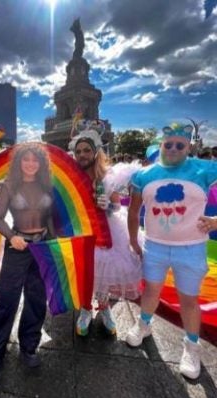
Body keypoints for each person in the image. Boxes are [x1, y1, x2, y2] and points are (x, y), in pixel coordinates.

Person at [126, 124, 217, 379]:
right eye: (169, 144)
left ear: (189, 146)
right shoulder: (144, 175)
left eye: (180, 145)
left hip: (191, 248)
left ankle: (191, 346)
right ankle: (144, 325)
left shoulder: (205, 168)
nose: (174, 149)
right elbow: (133, 212)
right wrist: (133, 240)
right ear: (161, 145)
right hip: (154, 245)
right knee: (151, 290)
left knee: (188, 299)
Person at [0, 142, 56, 387]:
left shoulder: (47, 185)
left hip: (42, 248)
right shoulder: (8, 186)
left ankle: (29, 346)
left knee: (36, 299)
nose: (31, 164)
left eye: (35, 160)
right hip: (17, 247)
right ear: (19, 162)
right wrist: (12, 237)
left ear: (41, 163)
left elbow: (50, 217)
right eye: (26, 159)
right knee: (6, 302)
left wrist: (53, 243)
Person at [71, 130, 142, 336]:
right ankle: (85, 309)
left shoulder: (106, 177)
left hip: (106, 231)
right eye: (78, 151)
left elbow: (118, 206)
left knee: (101, 270)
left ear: (95, 153)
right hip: (80, 231)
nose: (82, 154)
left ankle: (103, 308)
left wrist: (107, 206)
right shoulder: (72, 177)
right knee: (84, 273)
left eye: (86, 150)